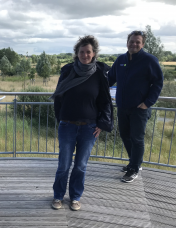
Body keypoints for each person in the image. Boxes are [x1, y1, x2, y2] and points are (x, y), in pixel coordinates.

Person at [51, 35, 113, 211]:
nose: (85, 55)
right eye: (82, 52)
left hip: (89, 128)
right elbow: (58, 97)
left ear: (94, 54)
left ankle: (75, 197)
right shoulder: (68, 71)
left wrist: (101, 123)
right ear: (77, 54)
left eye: (88, 52)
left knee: (80, 166)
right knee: (63, 165)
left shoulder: (99, 74)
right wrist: (61, 119)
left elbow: (104, 101)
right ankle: (58, 196)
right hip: (67, 125)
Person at [108, 30, 163, 183]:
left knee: (137, 139)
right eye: (131, 41)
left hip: (140, 108)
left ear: (142, 44)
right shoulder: (120, 60)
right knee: (125, 135)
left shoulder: (149, 60)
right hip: (122, 106)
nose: (134, 44)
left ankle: (134, 168)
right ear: (127, 42)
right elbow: (109, 78)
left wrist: (147, 103)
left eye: (137, 42)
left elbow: (158, 83)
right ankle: (135, 162)